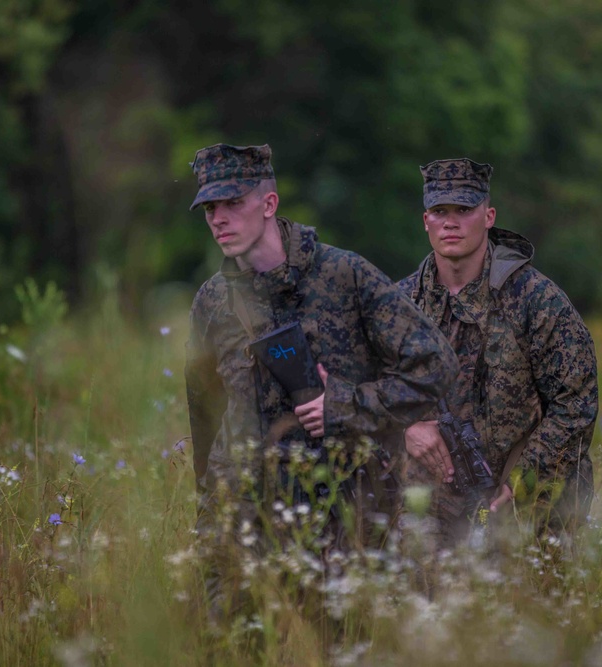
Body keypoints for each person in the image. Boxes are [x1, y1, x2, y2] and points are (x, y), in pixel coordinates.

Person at [184, 144, 458, 612]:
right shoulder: (213, 301)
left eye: (232, 203)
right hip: (244, 523)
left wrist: (347, 404)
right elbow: (205, 415)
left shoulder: (344, 276)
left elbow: (435, 366)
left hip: (341, 521)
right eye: (210, 207)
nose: (218, 219)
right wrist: (213, 508)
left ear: (269, 204)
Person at [399, 158, 598, 548]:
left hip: (530, 501)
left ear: (488, 216)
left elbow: (576, 404)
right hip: (432, 511)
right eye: (440, 211)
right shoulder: (400, 304)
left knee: (535, 603)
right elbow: (361, 391)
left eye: (464, 210)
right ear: (426, 221)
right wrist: (405, 428)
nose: (451, 222)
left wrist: (521, 481)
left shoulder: (537, 300)